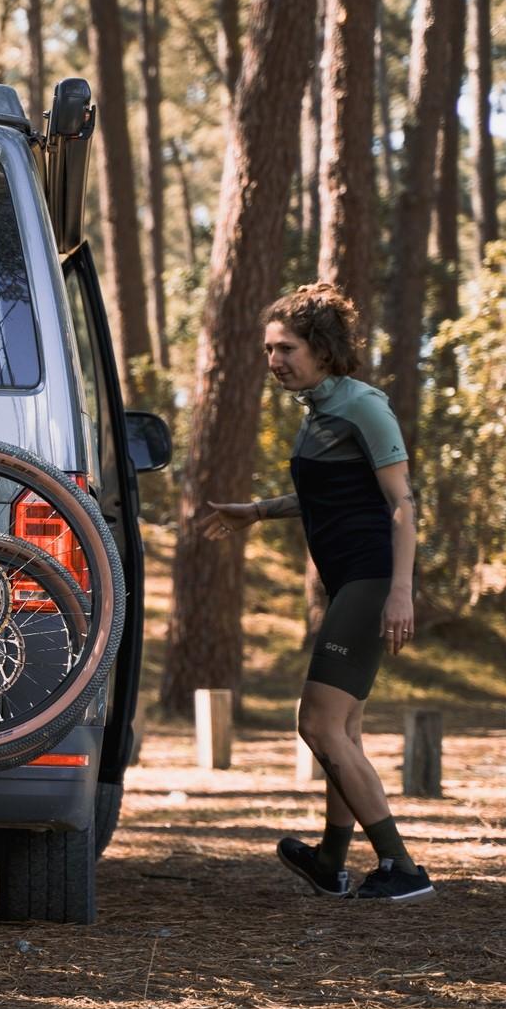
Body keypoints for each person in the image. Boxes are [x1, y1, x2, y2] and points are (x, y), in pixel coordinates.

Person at [194, 283, 434, 903]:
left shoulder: (362, 405)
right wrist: (257, 510)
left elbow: (402, 503)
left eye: (287, 348)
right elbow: (329, 497)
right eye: (269, 350)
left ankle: (401, 868)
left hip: (372, 578)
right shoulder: (321, 411)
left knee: (319, 725)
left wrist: (400, 592)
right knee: (343, 731)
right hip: (350, 580)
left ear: (323, 349)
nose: (274, 360)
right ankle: (330, 859)